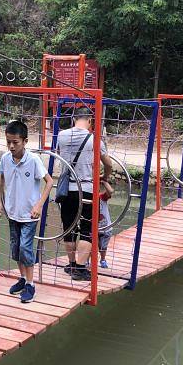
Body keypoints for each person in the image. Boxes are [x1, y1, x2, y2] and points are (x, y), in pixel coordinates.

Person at [0, 120, 54, 303]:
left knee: (25, 248)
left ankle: (30, 285)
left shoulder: (33, 160)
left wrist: (38, 205)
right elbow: (1, 176)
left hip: (29, 214)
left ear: (25, 141)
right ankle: (22, 278)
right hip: (12, 211)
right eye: (9, 142)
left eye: (16, 142)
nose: (11, 146)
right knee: (16, 249)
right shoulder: (5, 158)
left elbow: (49, 182)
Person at [56, 107, 113, 281]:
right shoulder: (94, 139)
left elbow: (60, 155)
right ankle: (80, 268)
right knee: (87, 229)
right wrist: (105, 176)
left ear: (74, 119)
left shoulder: (61, 136)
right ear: (90, 121)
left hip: (66, 191)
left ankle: (72, 264)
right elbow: (108, 163)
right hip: (86, 190)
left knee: (69, 227)